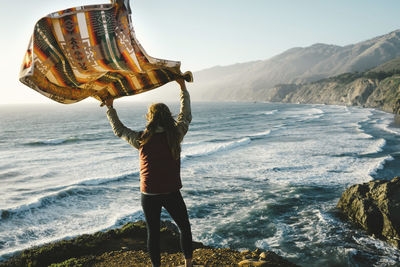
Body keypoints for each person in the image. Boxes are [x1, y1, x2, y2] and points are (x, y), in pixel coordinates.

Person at [104, 78, 193, 267]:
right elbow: (185, 116)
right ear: (168, 116)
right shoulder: (175, 135)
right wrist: (182, 87)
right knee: (184, 227)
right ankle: (189, 264)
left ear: (150, 117)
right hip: (171, 192)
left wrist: (110, 108)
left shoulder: (141, 139)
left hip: (149, 193)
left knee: (153, 233)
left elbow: (119, 130)